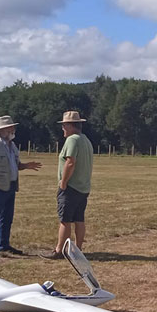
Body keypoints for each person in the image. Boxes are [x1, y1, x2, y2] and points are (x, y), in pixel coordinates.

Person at [0, 115, 41, 256]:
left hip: (11, 185)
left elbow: (17, 165)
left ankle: (4, 245)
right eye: (10, 128)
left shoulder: (12, 146)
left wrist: (26, 166)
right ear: (1, 130)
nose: (13, 130)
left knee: (7, 217)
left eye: (12, 127)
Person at [47, 110, 94, 259]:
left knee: (65, 220)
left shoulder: (72, 140)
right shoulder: (85, 139)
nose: (62, 129)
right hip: (83, 187)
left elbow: (70, 162)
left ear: (70, 125)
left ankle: (59, 250)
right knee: (79, 219)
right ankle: (77, 249)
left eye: (64, 125)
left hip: (71, 187)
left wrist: (63, 182)